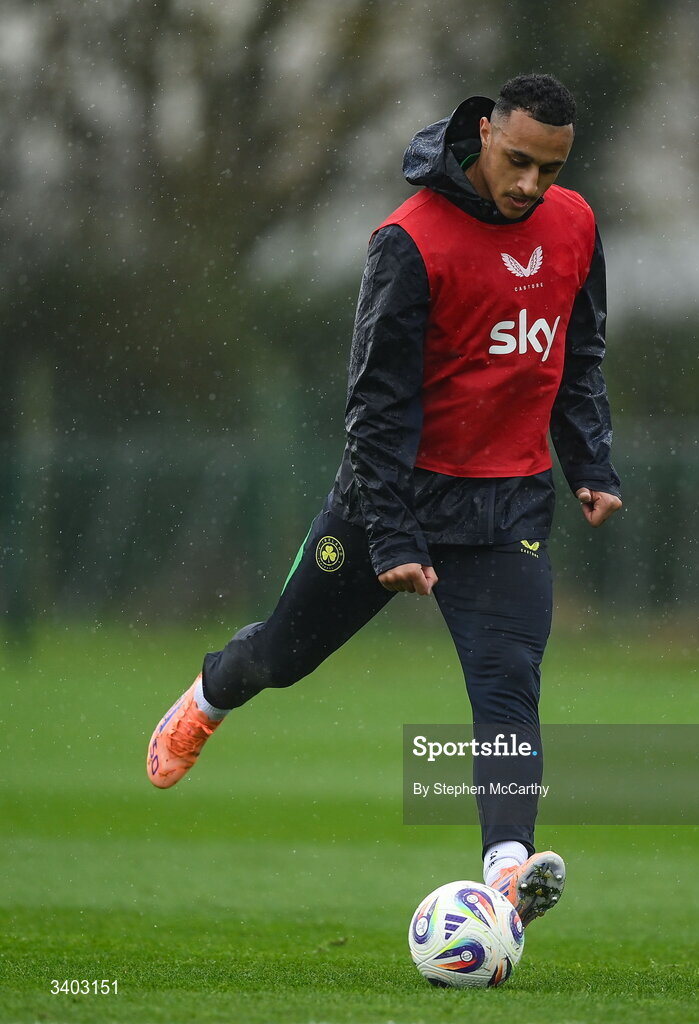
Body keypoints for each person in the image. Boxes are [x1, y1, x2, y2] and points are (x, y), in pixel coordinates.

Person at [147, 73, 621, 927]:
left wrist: (589, 462)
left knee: (507, 685)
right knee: (285, 657)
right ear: (482, 133)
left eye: (549, 171)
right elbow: (375, 405)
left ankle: (507, 869)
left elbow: (577, 356)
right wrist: (395, 534)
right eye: (518, 162)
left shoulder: (576, 225)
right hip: (388, 501)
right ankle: (214, 690)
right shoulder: (408, 241)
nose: (530, 187)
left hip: (508, 504)